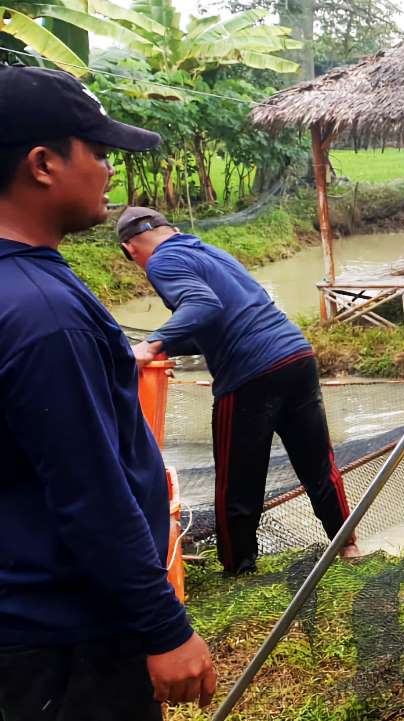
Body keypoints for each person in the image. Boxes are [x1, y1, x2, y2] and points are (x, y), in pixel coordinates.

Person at [0, 65, 215, 719]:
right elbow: (92, 493)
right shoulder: (44, 314)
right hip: (69, 643)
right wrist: (165, 626)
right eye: (98, 151)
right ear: (43, 163)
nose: (110, 170)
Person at [118, 207, 360, 576]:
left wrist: (151, 346)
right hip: (295, 354)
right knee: (318, 466)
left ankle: (238, 570)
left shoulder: (162, 261)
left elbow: (202, 306)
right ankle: (349, 548)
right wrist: (165, 345)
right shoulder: (210, 252)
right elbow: (223, 319)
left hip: (251, 374)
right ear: (174, 229)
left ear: (130, 249)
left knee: (236, 483)